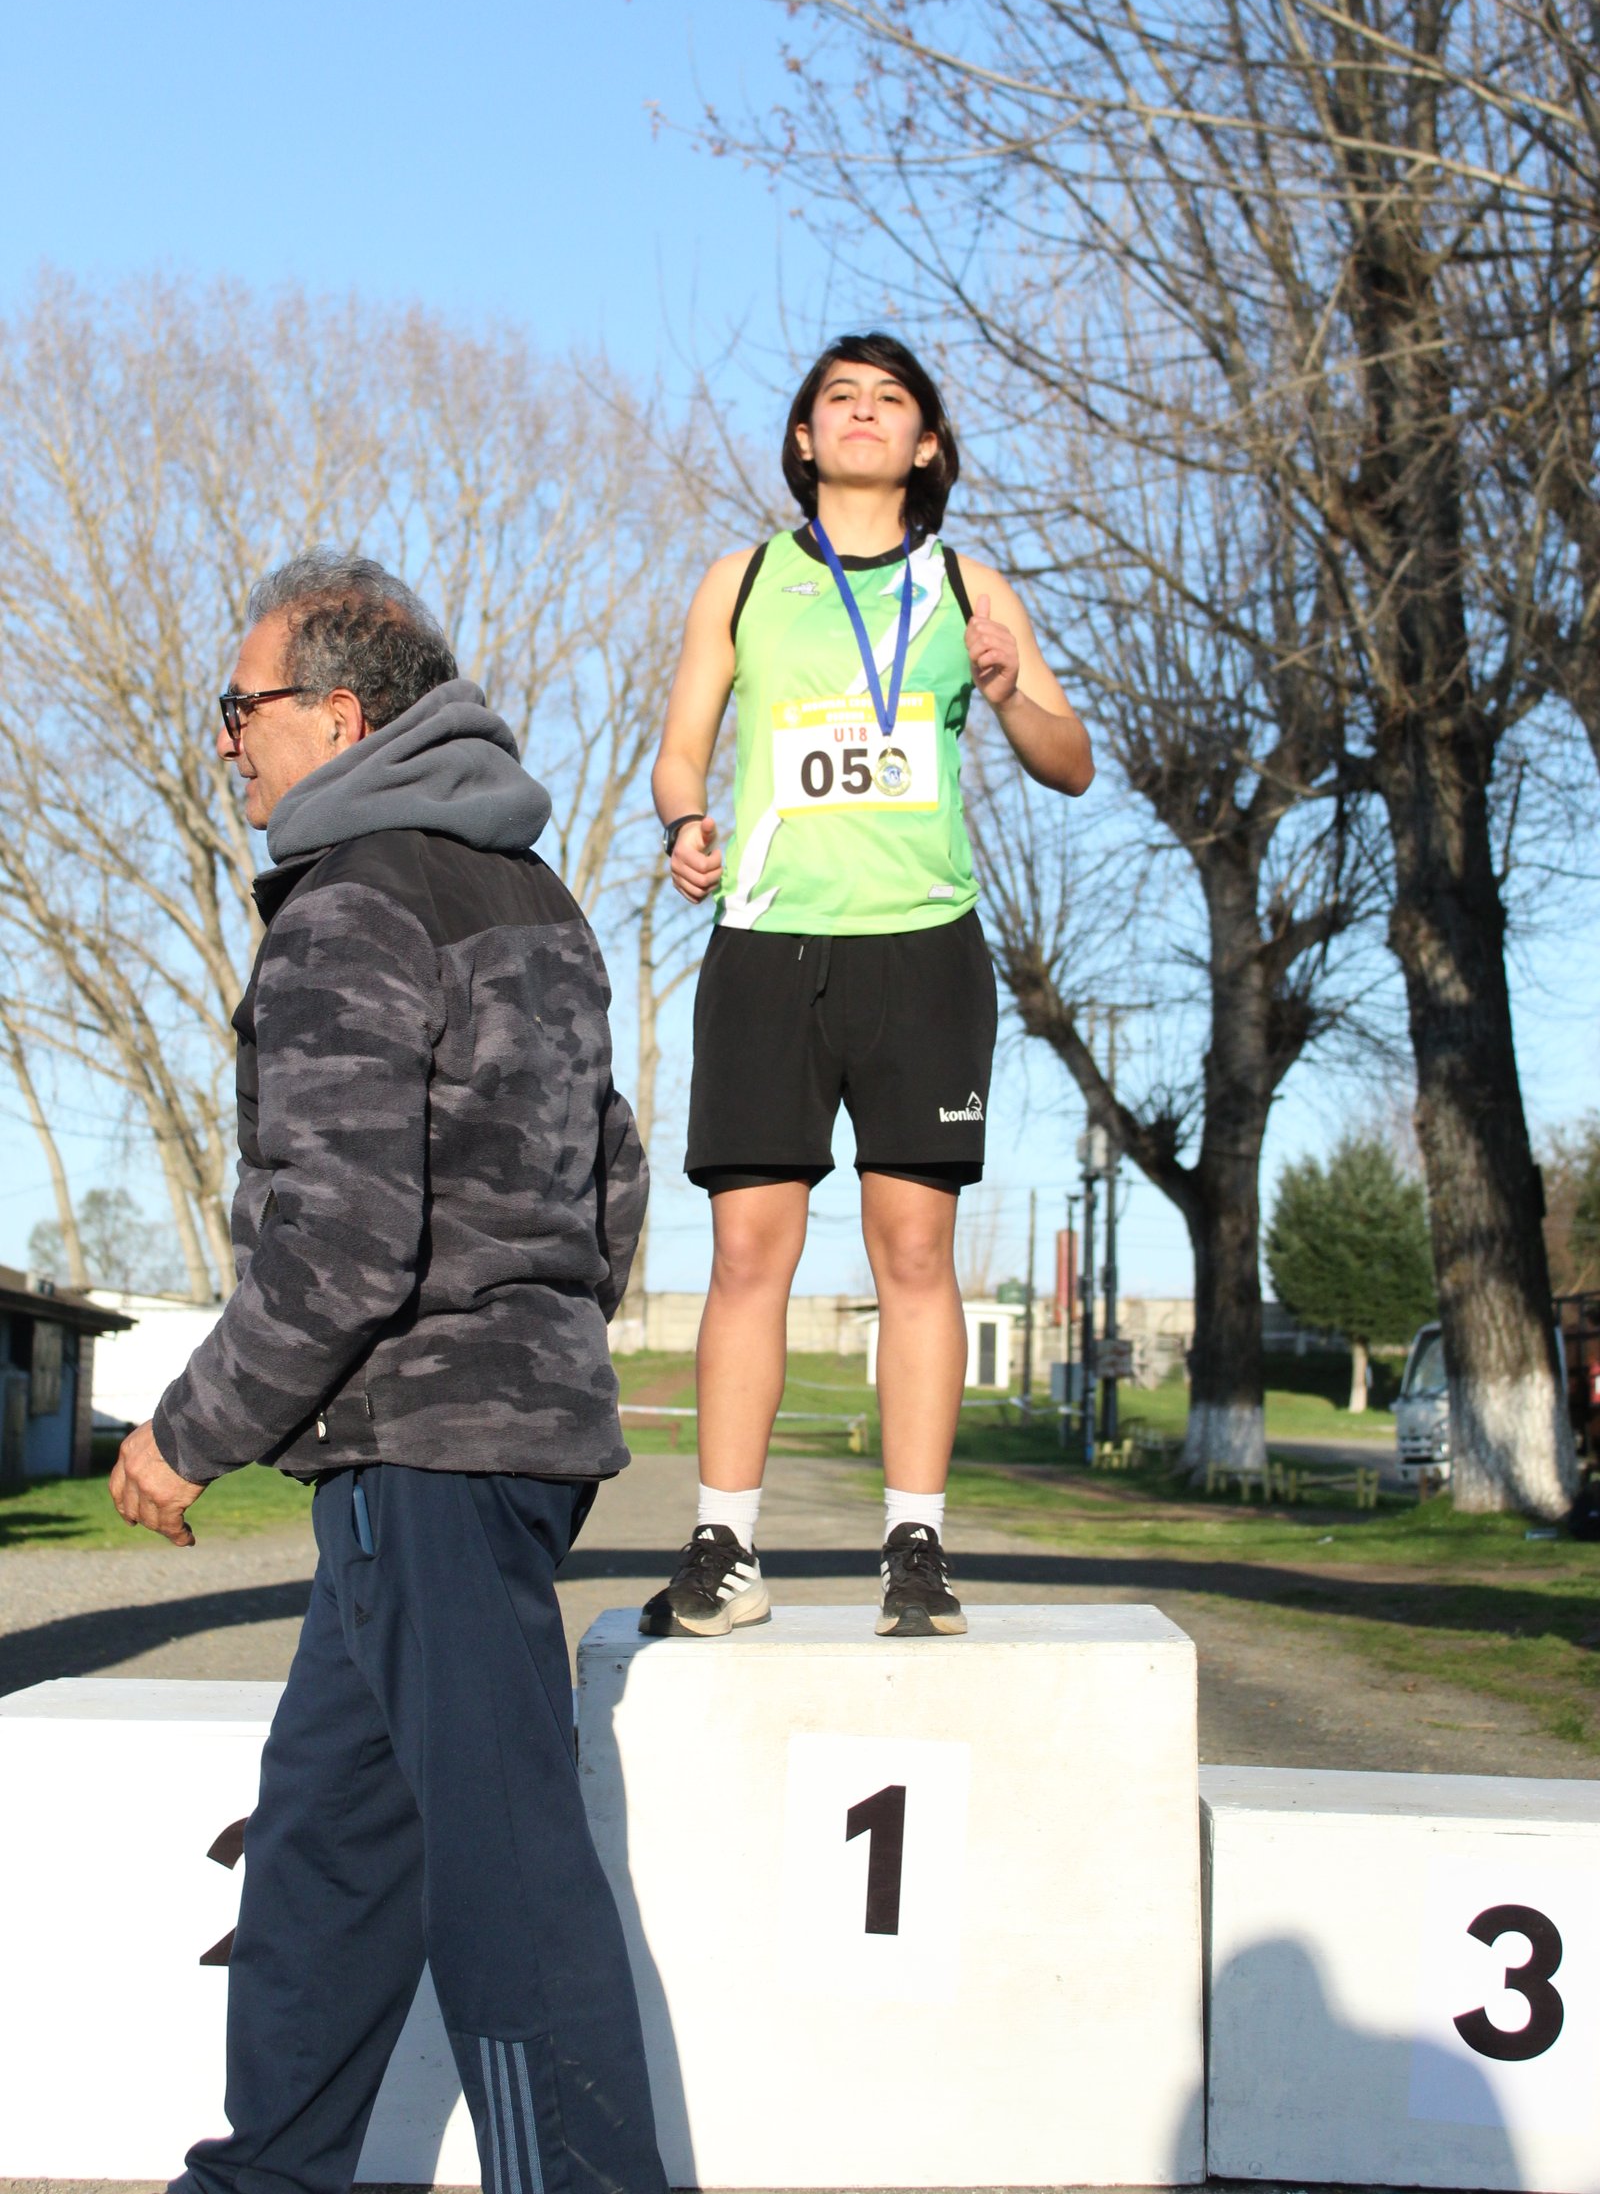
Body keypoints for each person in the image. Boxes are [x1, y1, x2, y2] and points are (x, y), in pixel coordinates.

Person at [109, 548, 666, 2194]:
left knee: (506, 1893)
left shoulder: (352, 897)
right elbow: (609, 1174)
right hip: (464, 1447)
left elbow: (338, 1241)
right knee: (326, 1869)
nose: (230, 741)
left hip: (425, 1452)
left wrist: (190, 1436)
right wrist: (540, 1342)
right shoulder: (532, 898)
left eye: (245, 707)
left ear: (340, 715)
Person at [643, 332, 1093, 1641]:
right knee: (746, 1250)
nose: (861, 413)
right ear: (801, 438)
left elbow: (1071, 763)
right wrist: (684, 825)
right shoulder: (742, 581)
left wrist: (1010, 692)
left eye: (890, 400)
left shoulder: (968, 584)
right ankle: (724, 1544)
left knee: (914, 1248)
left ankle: (917, 1548)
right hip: (769, 945)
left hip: (924, 947)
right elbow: (683, 753)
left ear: (927, 445)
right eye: (838, 397)